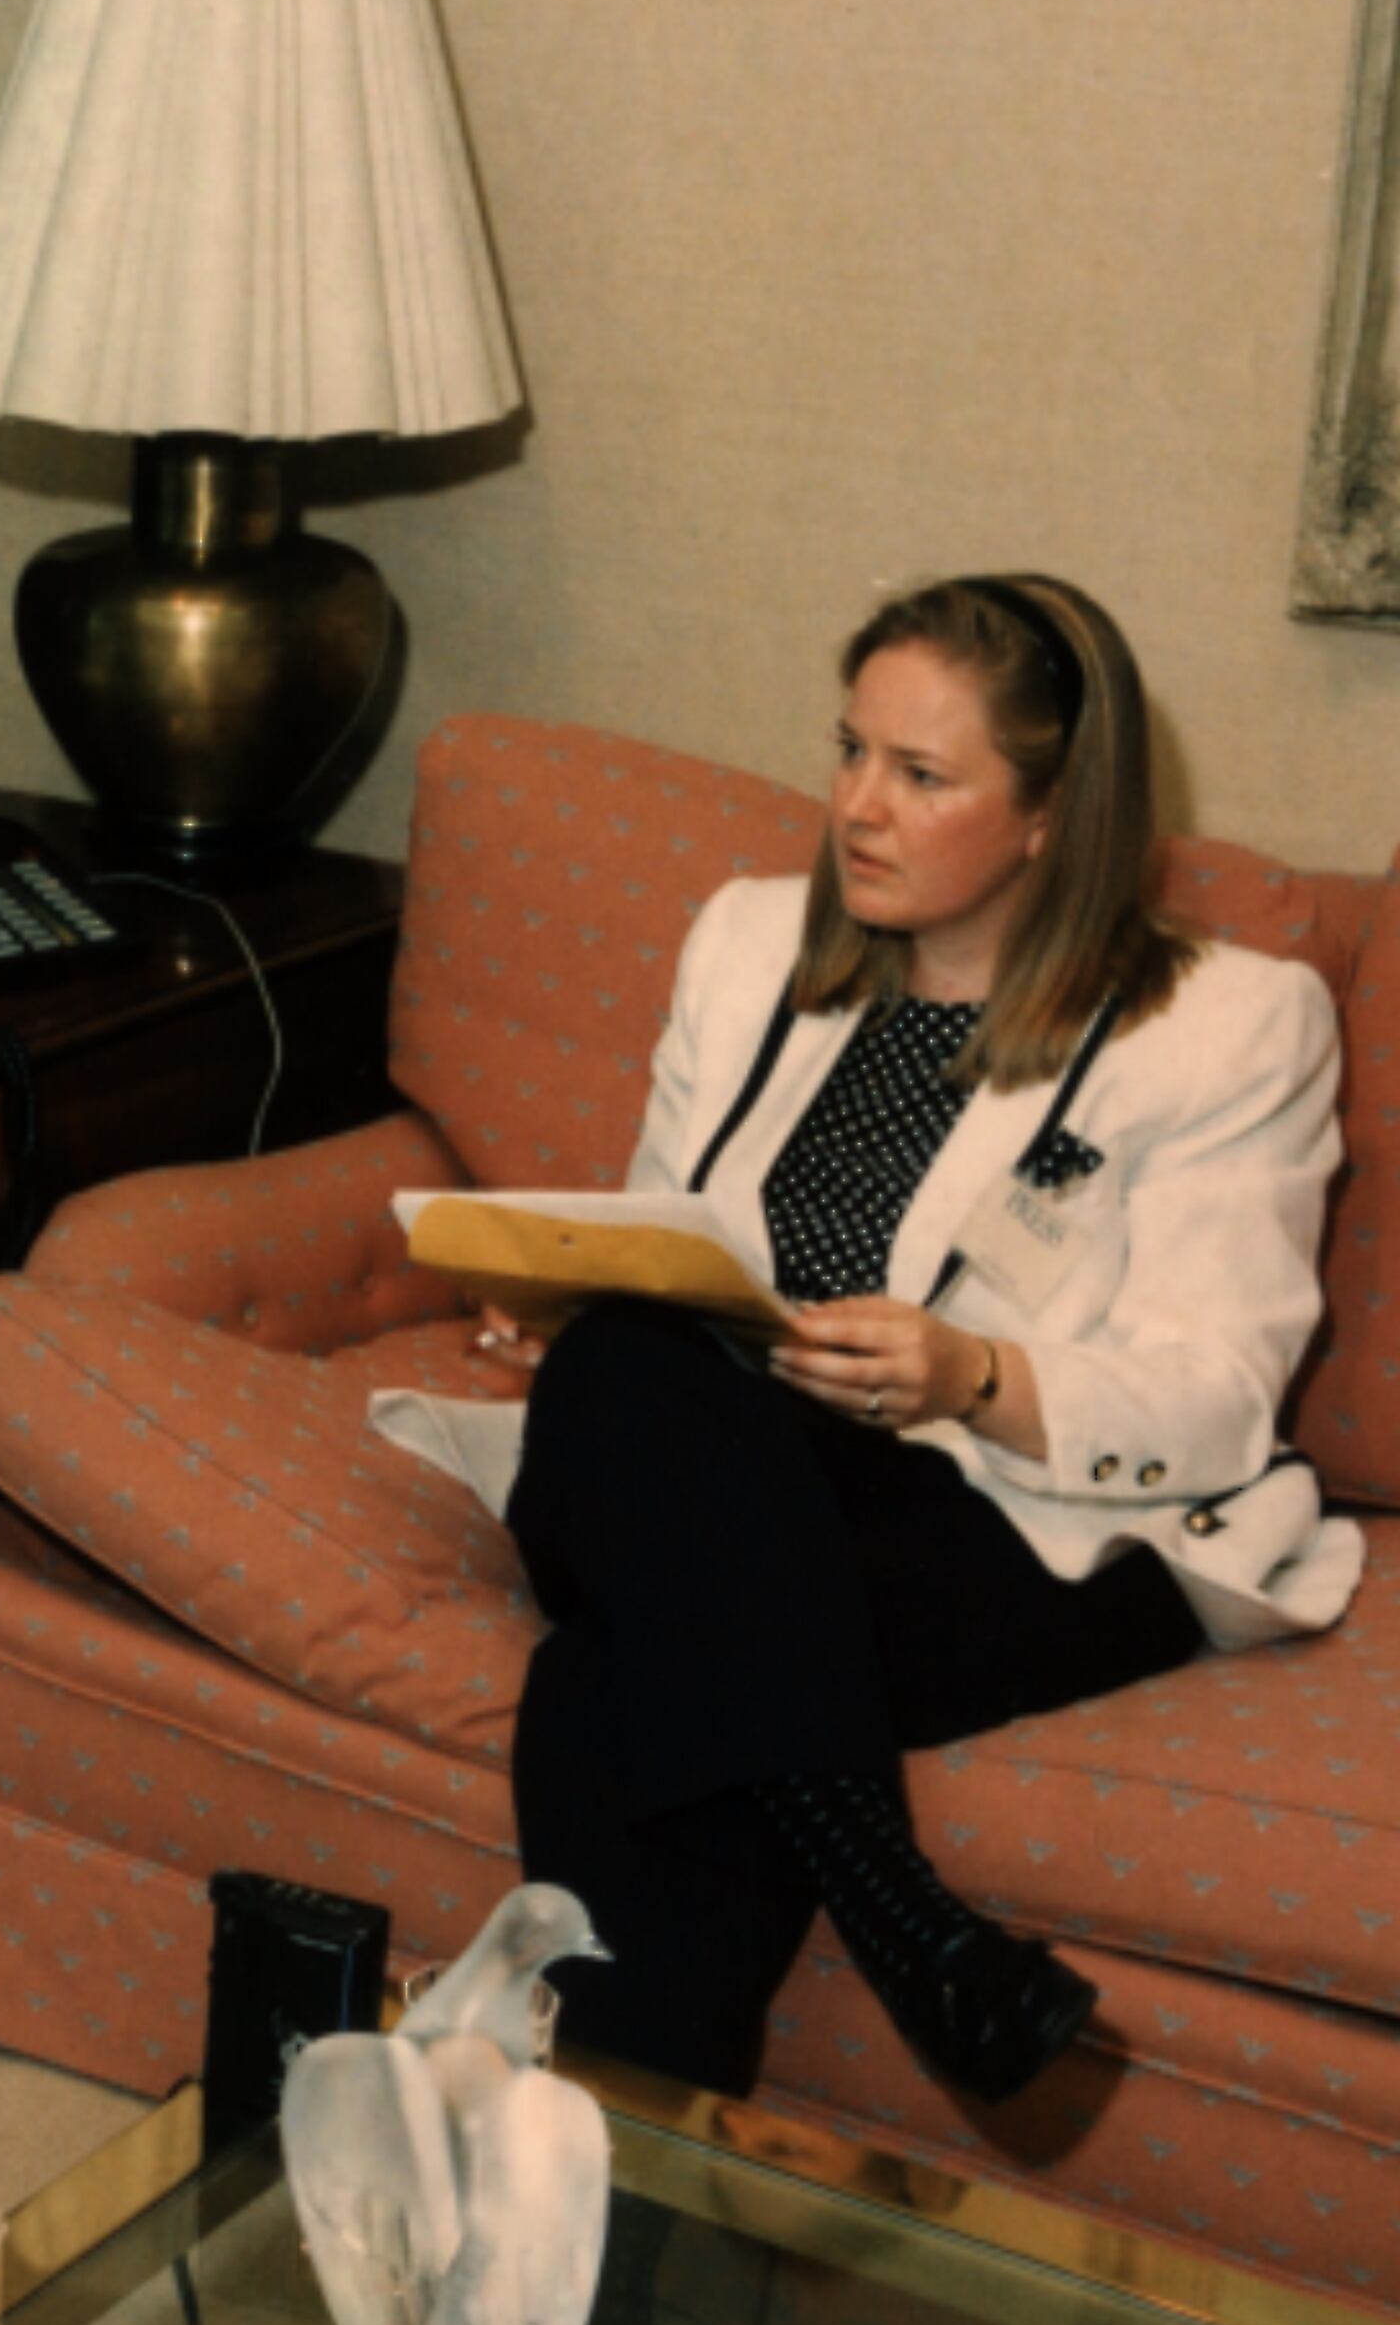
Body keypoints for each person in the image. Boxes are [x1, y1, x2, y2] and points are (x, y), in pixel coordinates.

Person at [389, 574, 1358, 2113]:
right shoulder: (748, 941)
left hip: (1022, 1520)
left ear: (1052, 815)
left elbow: (1219, 1394)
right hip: (744, 1469)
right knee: (626, 1370)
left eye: (921, 776)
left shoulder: (1233, 1024)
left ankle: (588, 2283)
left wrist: (972, 1373)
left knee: (606, 1678)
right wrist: (566, 1296)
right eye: (848, 752)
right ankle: (907, 1924)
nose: (856, 808)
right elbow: (668, 1230)